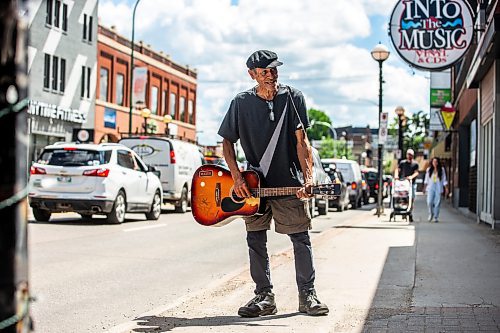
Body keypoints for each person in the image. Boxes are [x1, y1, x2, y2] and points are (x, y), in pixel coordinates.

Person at [217, 50, 329, 317]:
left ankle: (308, 295)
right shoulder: (240, 103)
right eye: (265, 71)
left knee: (300, 237)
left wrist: (308, 178)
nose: (271, 75)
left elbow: (302, 142)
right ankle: (264, 297)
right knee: (255, 239)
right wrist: (236, 177)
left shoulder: (292, 97)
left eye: (274, 70)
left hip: (288, 182)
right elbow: (227, 143)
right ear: (252, 74)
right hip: (254, 185)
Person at [394, 148, 419, 222]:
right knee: (403, 198)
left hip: (411, 184)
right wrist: (396, 176)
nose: (409, 156)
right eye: (408, 154)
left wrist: (411, 177)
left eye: (411, 155)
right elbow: (397, 170)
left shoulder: (415, 164)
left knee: (411, 198)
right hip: (403, 183)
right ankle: (403, 212)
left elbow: (416, 172)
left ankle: (410, 213)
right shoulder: (402, 163)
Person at [423, 157, 448, 222]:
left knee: (437, 202)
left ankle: (436, 217)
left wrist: (446, 188)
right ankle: (431, 214)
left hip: (438, 187)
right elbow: (426, 180)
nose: (435, 163)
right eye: (434, 162)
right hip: (431, 187)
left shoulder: (441, 170)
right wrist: (424, 188)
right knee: (429, 202)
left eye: (436, 162)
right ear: (432, 163)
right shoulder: (429, 170)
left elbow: (444, 179)